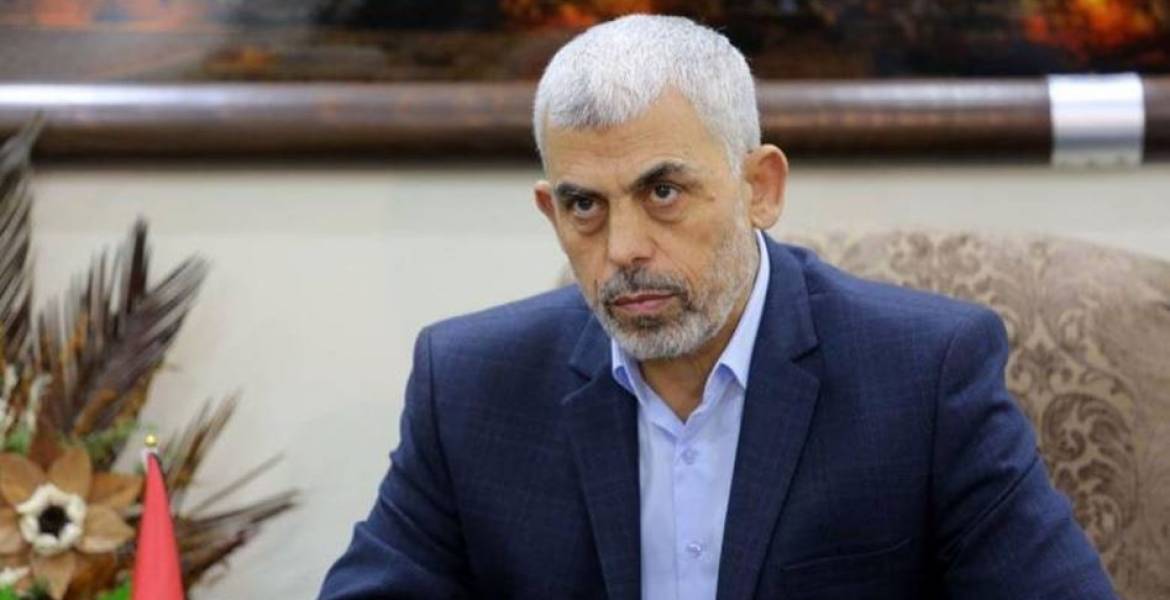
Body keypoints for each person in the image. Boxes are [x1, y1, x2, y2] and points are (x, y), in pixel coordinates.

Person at [318, 14, 1115, 600]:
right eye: (585, 205)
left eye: (662, 192)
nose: (624, 248)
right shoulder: (469, 385)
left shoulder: (924, 376)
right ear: (549, 211)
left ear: (759, 187)